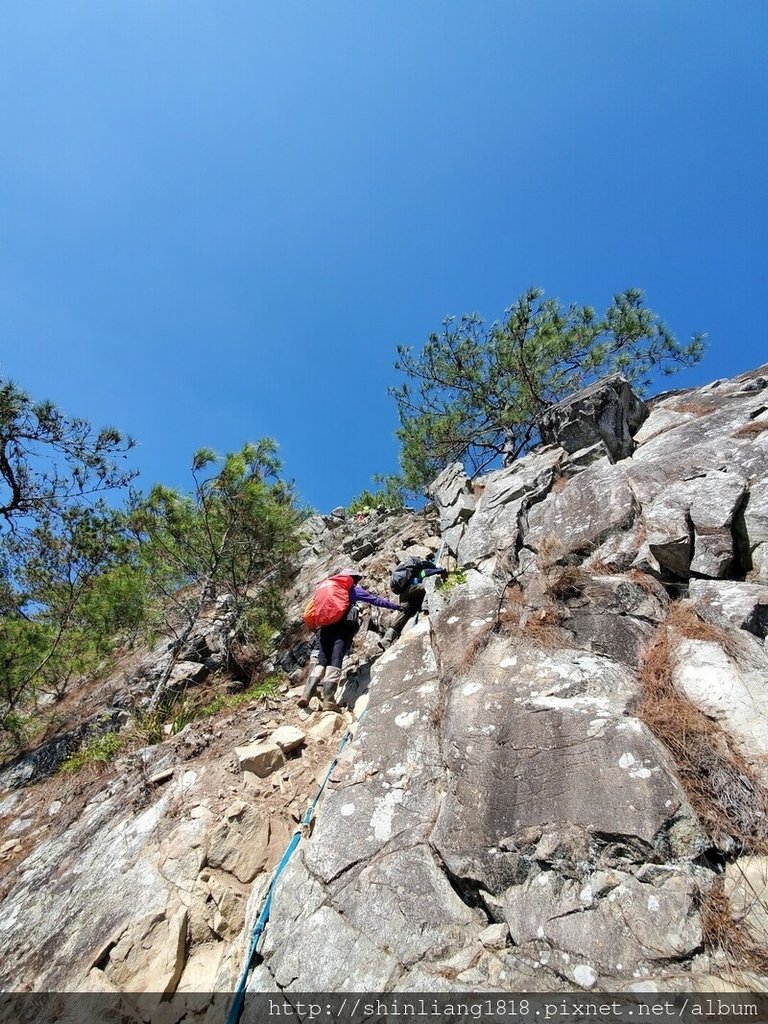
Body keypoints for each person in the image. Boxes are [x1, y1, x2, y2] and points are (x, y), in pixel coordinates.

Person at [298, 570, 400, 709]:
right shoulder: (352, 590)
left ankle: (306, 694)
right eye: (356, 579)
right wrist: (396, 606)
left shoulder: (328, 587)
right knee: (336, 659)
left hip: (323, 628)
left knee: (322, 660)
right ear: (352, 579)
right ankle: (329, 700)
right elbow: (375, 600)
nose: (357, 582)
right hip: (342, 627)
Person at [380, 556, 448, 647]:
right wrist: (441, 570)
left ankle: (386, 640)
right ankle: (426, 607)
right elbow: (426, 573)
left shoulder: (410, 570)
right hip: (411, 589)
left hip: (404, 594)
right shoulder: (424, 567)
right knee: (429, 584)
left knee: (403, 613)